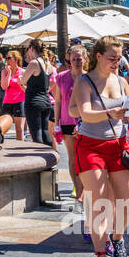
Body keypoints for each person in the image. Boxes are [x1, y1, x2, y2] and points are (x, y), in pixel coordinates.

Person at [73, 36, 129, 257]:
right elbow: (85, 113)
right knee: (100, 201)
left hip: (119, 144)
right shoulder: (84, 82)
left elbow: (128, 116)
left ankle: (117, 238)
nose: (117, 62)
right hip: (90, 146)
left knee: (126, 201)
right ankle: (100, 256)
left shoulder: (121, 81)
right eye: (112, 58)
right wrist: (110, 112)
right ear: (98, 56)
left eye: (119, 58)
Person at [51, 44, 87, 201]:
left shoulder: (90, 77)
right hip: (67, 121)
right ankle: (78, 189)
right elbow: (57, 101)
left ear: (85, 59)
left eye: (79, 58)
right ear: (69, 60)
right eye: (73, 59)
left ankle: (85, 186)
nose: (77, 62)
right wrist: (56, 123)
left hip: (87, 122)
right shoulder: (61, 77)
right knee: (72, 158)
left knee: (85, 157)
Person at [21, 43, 55, 147]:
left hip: (34, 102)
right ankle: (51, 154)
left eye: (28, 49)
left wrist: (21, 80)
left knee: (36, 134)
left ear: (31, 48)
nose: (27, 52)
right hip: (46, 101)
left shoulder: (34, 63)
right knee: (45, 132)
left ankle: (40, 158)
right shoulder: (47, 63)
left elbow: (23, 81)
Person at [0, 51, 28, 142]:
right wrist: (9, 73)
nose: (6, 60)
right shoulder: (4, 71)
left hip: (20, 102)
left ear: (16, 59)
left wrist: (21, 84)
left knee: (19, 130)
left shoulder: (23, 71)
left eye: (9, 58)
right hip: (7, 102)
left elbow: (27, 90)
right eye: (6, 58)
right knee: (1, 128)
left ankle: (19, 150)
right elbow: (4, 87)